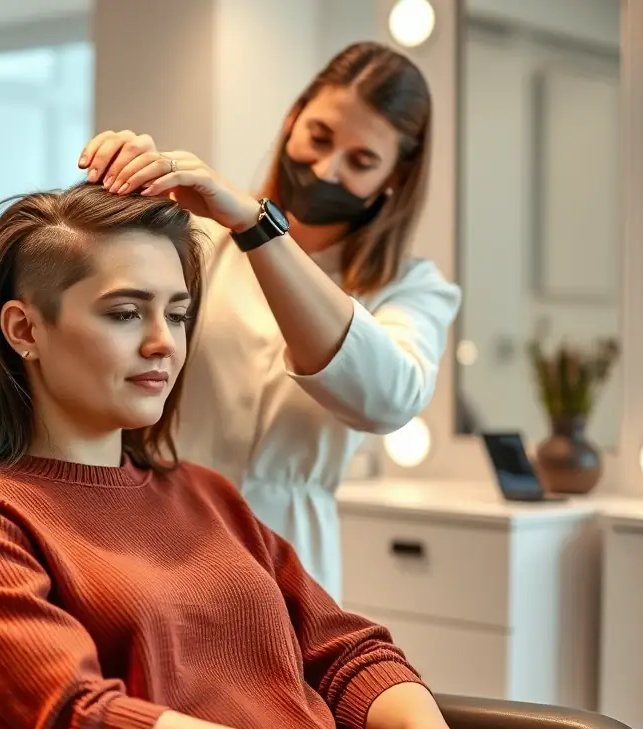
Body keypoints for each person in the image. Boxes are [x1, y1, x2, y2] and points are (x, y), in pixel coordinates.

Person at [0, 183, 643, 729]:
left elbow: (345, 651)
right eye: (123, 313)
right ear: (24, 329)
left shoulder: (204, 494)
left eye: (177, 314)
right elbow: (83, 725)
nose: (162, 344)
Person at [77, 42, 459, 601]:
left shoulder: (411, 288)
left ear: (393, 179)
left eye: (361, 161)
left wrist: (260, 230)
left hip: (291, 556)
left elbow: (389, 399)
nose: (326, 170)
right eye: (320, 138)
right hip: (152, 523)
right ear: (291, 121)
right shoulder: (202, 236)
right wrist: (116, 180)